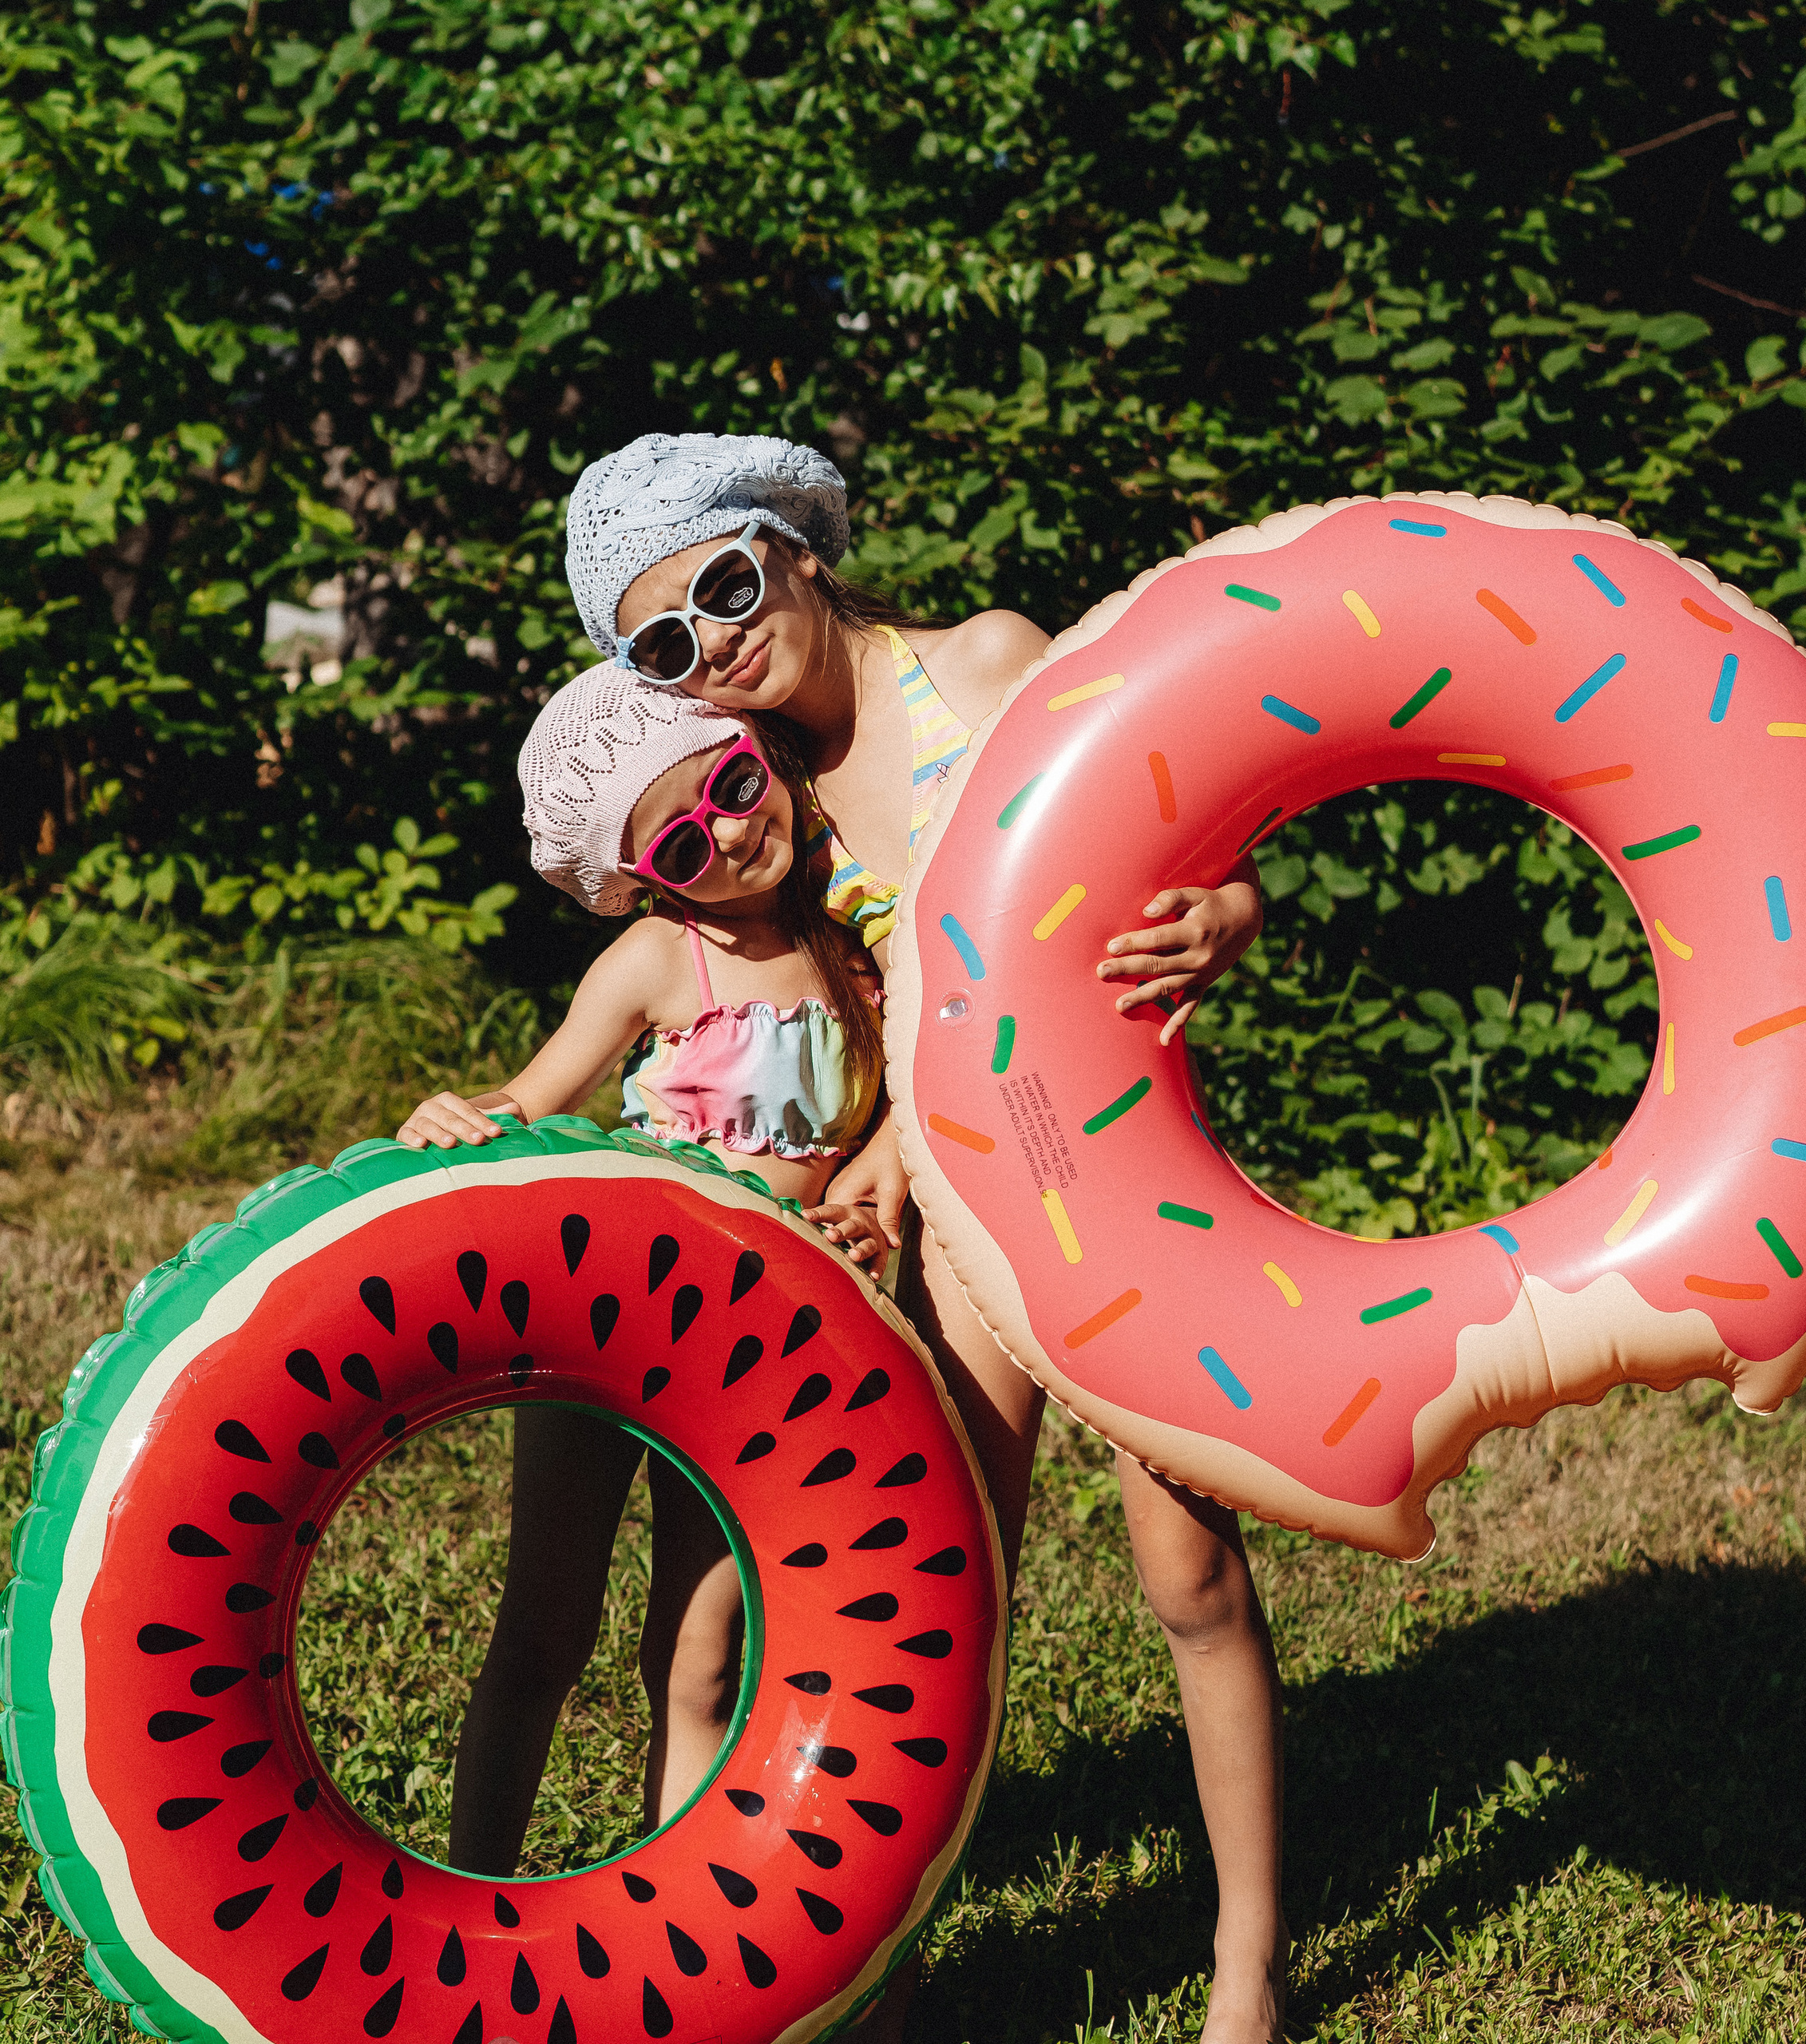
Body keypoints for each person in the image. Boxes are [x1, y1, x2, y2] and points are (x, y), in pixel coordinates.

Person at [562, 434, 1287, 2042]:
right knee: (946, 1588)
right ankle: (881, 1966)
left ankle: (1247, 1962)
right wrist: (869, 1154)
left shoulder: (992, 664)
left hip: (1127, 1173)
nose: (720, 645)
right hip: (957, 1199)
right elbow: (887, 1023)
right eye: (670, 643)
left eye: (729, 589)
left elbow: (1179, 826)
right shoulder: (772, 803)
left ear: (796, 548)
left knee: (1189, 1570)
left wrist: (1225, 914)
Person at [395, 667, 895, 1875]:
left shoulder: (854, 948)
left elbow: (898, 1125)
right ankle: (475, 1885)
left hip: (760, 1344)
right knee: (545, 1625)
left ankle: (675, 1914)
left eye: (731, 787)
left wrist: (876, 1206)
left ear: (763, 761)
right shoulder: (659, 961)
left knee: (704, 1647)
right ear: (648, 878)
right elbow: (529, 1098)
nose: (727, 835)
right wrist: (450, 1115)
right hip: (613, 1321)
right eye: (682, 840)